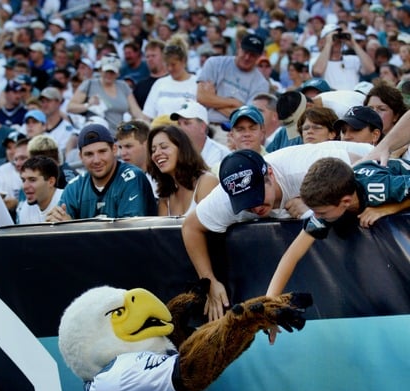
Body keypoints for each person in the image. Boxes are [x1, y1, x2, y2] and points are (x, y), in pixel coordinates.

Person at [182, 141, 373, 320]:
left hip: (369, 157)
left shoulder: (302, 168)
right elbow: (190, 227)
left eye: (257, 196)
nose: (256, 208)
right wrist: (209, 282)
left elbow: (365, 166)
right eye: (247, 203)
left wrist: (313, 201)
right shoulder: (224, 199)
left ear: (270, 175)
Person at [266, 156, 410, 298]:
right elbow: (293, 254)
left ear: (346, 201)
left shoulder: (378, 188)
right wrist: (270, 301)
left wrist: (389, 209)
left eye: (321, 212)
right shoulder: (327, 204)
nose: (316, 216)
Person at [46, 123, 157, 222]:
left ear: (114, 149)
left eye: (102, 151)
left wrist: (72, 227)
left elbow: (128, 233)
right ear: (80, 156)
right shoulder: (74, 187)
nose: (97, 160)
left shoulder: (132, 178)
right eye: (89, 154)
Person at [196, 33, 269, 143]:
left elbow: (246, 118)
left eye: (252, 54)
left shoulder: (261, 83)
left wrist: (212, 98)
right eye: (245, 51)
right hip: (202, 122)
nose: (247, 57)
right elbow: (201, 97)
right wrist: (234, 103)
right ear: (238, 47)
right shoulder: (215, 63)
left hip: (228, 131)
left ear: (259, 56)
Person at [147, 125, 218, 216]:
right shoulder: (166, 195)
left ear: (182, 149)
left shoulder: (206, 181)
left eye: (164, 147)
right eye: (153, 150)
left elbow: (210, 227)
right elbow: (162, 230)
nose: (156, 153)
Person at [67, 54, 145, 135]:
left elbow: (136, 111)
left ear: (118, 73)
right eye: (106, 71)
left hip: (119, 135)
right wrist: (88, 105)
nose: (109, 75)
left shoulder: (123, 86)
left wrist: (146, 123)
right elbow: (70, 107)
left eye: (112, 72)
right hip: (96, 134)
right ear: (100, 70)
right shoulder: (89, 84)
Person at [143, 36, 197, 121]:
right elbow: (147, 115)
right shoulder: (159, 83)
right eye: (167, 65)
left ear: (183, 61)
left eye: (173, 64)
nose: (170, 69)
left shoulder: (196, 83)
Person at [311, 25, 375, 90]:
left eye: (339, 37)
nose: (337, 41)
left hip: (352, 98)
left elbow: (371, 69)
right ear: (322, 41)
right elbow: (318, 71)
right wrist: (328, 43)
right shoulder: (315, 60)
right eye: (334, 37)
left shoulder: (353, 59)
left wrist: (354, 43)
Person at [170, 101, 230, 168]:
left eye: (187, 123)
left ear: (203, 127)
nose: (180, 128)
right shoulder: (173, 152)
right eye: (179, 124)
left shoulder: (221, 153)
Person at [114, 119, 158, 198]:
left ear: (147, 144)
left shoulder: (164, 178)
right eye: (120, 147)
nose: (122, 153)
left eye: (128, 146)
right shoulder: (116, 180)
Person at [17, 155, 63, 224]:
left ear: (51, 182)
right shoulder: (25, 209)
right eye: (23, 180)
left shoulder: (68, 201)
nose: (25, 186)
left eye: (32, 180)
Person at [133, 38, 167, 109]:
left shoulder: (173, 81)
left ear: (164, 57)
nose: (150, 59)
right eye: (147, 56)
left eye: (153, 56)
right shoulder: (140, 86)